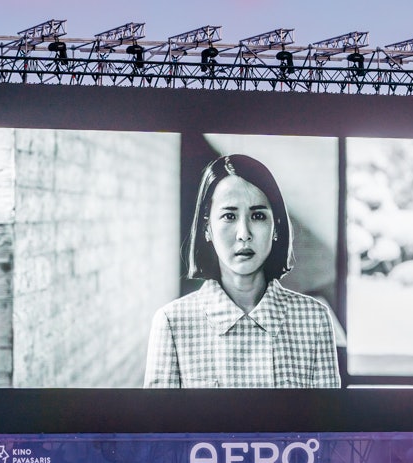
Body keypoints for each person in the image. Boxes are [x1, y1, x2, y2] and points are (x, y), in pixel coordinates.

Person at [144, 154, 341, 388]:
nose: (244, 233)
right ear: (207, 229)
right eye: (229, 216)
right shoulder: (172, 323)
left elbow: (329, 424)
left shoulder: (314, 320)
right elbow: (161, 424)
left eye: (258, 216)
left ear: (276, 227)